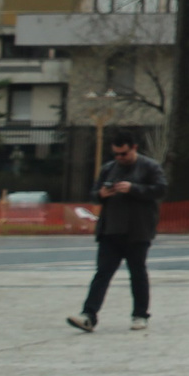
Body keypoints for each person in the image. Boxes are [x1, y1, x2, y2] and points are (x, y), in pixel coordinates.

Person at [68, 130, 165, 332]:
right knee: (102, 274)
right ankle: (88, 315)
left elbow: (160, 190)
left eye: (124, 154)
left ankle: (140, 314)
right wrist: (101, 194)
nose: (120, 158)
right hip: (110, 230)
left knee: (137, 273)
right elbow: (94, 194)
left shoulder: (150, 167)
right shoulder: (108, 169)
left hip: (138, 230)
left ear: (134, 148)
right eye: (116, 154)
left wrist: (133, 188)